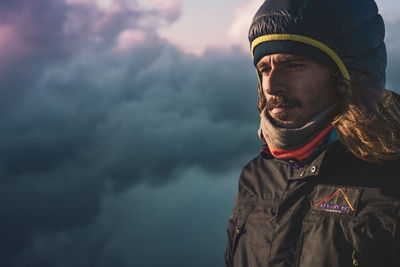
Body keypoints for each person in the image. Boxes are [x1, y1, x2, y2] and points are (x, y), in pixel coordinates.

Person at [224, 0, 400, 266]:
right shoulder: (256, 177)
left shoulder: (390, 178)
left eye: (294, 65)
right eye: (264, 69)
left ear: (345, 77)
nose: (272, 85)